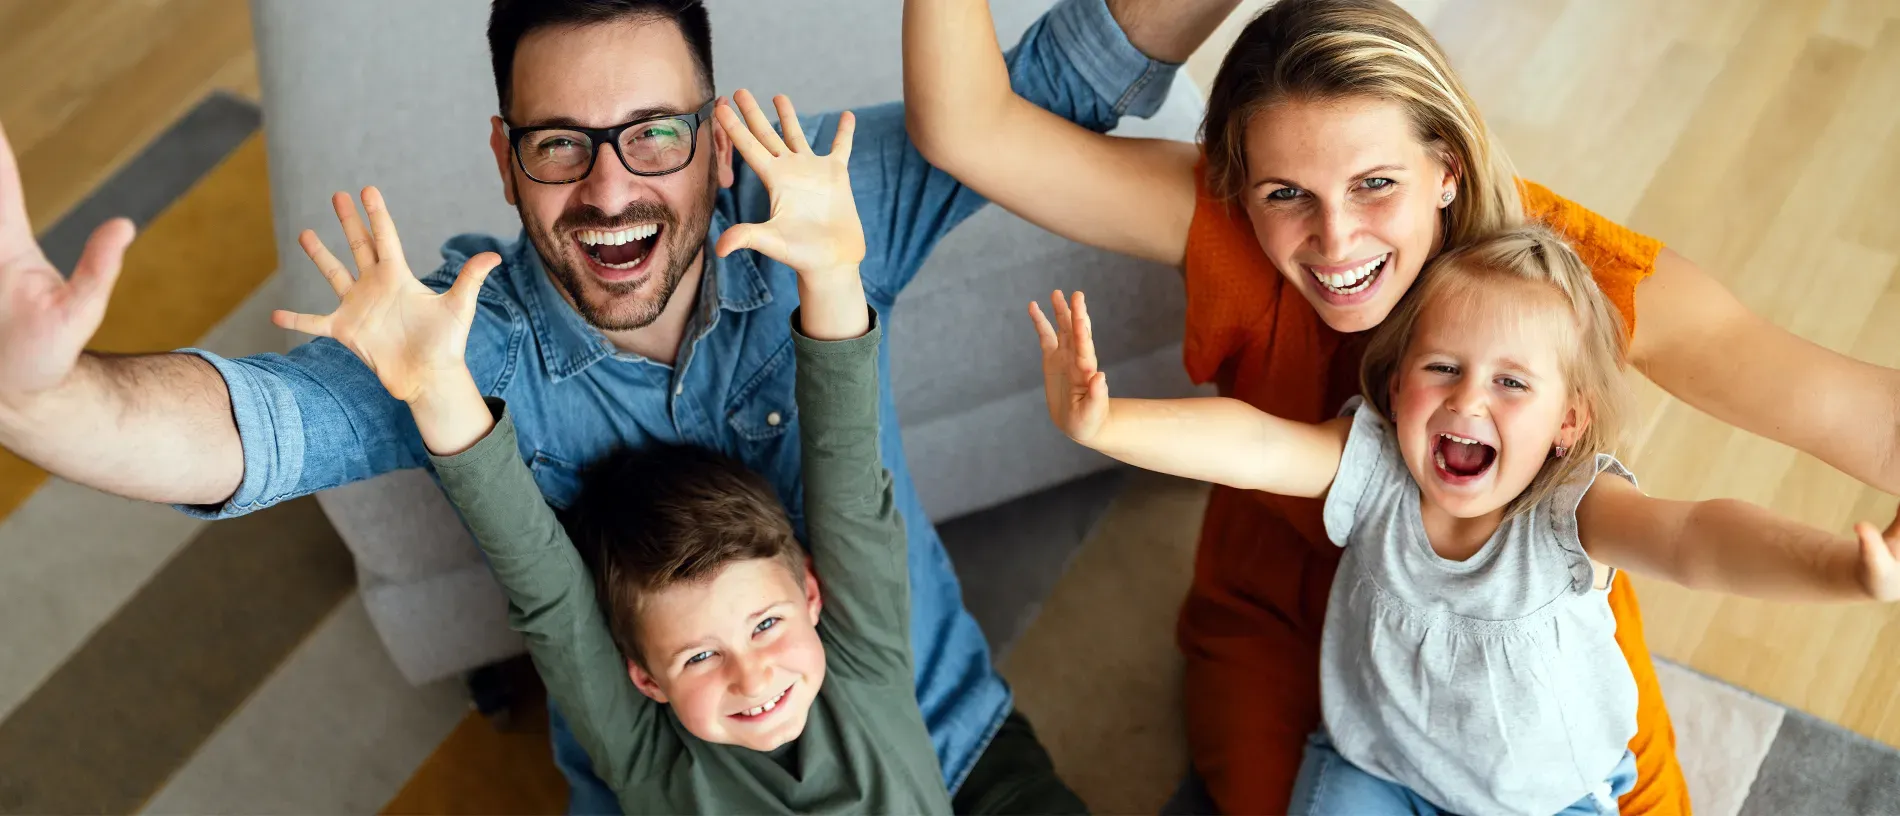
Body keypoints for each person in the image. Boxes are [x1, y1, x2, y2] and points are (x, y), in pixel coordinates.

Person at [0, 1, 1212, 812]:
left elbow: (1064, 79)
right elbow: (247, 429)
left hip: (955, 752)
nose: (612, 187)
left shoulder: (806, 210)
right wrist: (36, 396)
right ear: (502, 153)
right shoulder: (462, 338)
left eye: (654, 134)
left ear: (714, 138)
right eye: (560, 146)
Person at [903, 0, 1900, 811]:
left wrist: (1856, 569)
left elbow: (1837, 427)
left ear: (1446, 166)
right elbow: (966, 127)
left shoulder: (1558, 273)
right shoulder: (1224, 222)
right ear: (1241, 190)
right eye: (1285, 193)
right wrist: (1106, 419)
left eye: (1377, 183)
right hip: (1289, 614)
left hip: (1515, 619)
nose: (1335, 241)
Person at [266, 88, 1088, 815]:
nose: (753, 677)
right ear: (647, 682)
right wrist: (437, 390)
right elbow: (547, 595)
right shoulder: (650, 758)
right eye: (698, 656)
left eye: (765, 623)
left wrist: (834, 274)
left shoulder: (865, 658)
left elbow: (845, 472)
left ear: (812, 595)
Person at [1026, 228, 1900, 816]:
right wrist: (1107, 424)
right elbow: (1254, 445)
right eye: (1441, 367)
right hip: (1380, 768)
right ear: (1397, 385)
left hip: (1544, 798)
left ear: (1568, 422)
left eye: (1512, 384)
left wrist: (1840, 570)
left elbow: (1700, 540)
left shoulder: (1571, 514)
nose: (1468, 401)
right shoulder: (1372, 468)